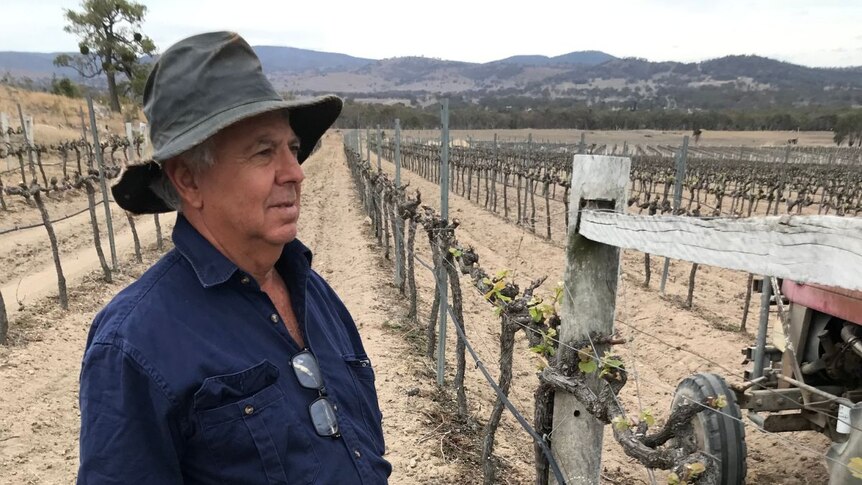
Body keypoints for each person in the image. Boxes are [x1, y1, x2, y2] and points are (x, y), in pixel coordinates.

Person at [77, 31, 391, 484]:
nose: (295, 173)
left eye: (294, 149)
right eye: (265, 152)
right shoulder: (134, 344)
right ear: (188, 180)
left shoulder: (314, 291)